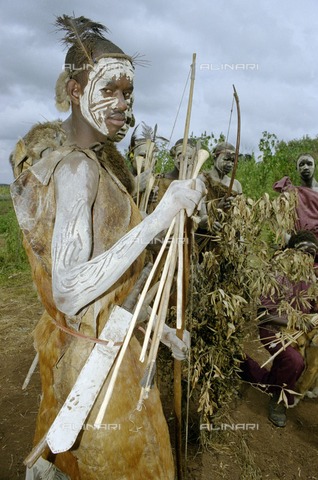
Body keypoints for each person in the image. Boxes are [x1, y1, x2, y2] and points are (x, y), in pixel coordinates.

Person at [10, 15, 205, 480]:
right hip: (97, 367)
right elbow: (72, 290)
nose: (125, 105)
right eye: (111, 90)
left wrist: (154, 330)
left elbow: (104, 285)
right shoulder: (76, 172)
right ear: (75, 90)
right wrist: (159, 218)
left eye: (128, 93)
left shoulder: (89, 165)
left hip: (95, 348)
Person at [240, 230, 318, 428]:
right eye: (303, 252)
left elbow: (313, 308)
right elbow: (263, 314)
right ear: (291, 251)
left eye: (312, 254)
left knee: (295, 367)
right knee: (294, 360)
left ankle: (243, 365)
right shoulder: (279, 274)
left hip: (298, 334)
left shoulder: (310, 278)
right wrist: (296, 322)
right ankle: (279, 401)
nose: (307, 258)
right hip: (273, 330)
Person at [273, 153, 318, 239]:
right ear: (296, 169)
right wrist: (292, 241)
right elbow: (283, 223)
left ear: (315, 166)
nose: (305, 167)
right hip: (298, 243)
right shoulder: (292, 193)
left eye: (309, 164)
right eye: (301, 164)